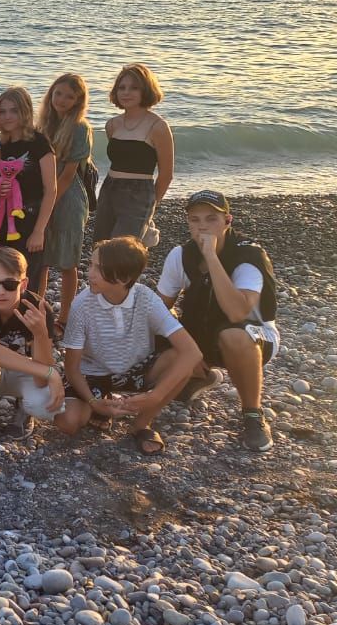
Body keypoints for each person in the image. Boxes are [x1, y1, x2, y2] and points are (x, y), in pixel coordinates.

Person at [156, 191, 280, 452]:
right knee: (153, 336)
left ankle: (253, 414)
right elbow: (158, 309)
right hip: (200, 331)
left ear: (227, 221)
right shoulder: (180, 255)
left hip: (252, 336)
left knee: (232, 335)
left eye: (211, 219)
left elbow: (237, 312)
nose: (202, 226)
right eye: (195, 219)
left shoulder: (248, 256)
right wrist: (183, 346)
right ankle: (199, 376)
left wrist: (211, 257)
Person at [64, 235, 203, 454]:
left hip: (137, 371)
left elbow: (192, 352)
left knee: (180, 360)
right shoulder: (81, 305)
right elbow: (71, 368)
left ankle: (141, 423)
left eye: (98, 268)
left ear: (124, 277)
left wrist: (155, 396)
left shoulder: (146, 298)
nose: (89, 273)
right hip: (93, 375)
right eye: (90, 264)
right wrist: (92, 401)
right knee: (68, 423)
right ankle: (103, 406)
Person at [0, 248, 70, 457]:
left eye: (10, 284)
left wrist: (40, 334)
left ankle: (24, 410)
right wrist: (51, 373)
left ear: (24, 283)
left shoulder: (39, 309)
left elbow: (41, 380)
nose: (0, 291)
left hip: (22, 373)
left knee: (45, 403)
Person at [0, 87, 57, 296]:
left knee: (27, 280)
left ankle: (31, 315)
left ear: (25, 111)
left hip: (29, 219)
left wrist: (39, 231)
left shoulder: (39, 142)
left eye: (14, 110)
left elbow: (51, 189)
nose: (7, 116)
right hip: (0, 220)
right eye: (2, 111)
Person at [37, 73, 94, 332]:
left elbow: (69, 174)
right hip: (43, 194)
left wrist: (49, 203)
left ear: (78, 101)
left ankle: (65, 318)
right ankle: (37, 312)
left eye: (69, 97)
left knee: (67, 262)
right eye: (58, 93)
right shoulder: (43, 124)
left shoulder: (80, 128)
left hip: (67, 197)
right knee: (41, 260)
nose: (61, 100)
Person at [93, 63, 175, 243]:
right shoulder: (112, 124)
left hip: (139, 193)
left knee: (122, 249)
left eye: (134, 88)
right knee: (100, 246)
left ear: (146, 90)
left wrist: (150, 205)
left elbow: (166, 175)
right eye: (121, 88)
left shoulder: (158, 126)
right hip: (109, 189)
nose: (126, 92)